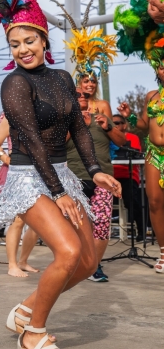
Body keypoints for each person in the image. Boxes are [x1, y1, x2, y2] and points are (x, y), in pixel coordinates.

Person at [0, 0, 121, 349]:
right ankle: (33, 336)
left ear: (43, 39)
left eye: (28, 41)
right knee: (67, 250)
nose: (22, 49)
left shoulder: (61, 79)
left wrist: (94, 171)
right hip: (29, 178)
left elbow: (77, 128)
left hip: (61, 174)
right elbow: (36, 142)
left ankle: (26, 308)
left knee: (89, 259)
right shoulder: (14, 86)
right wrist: (58, 195)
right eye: (14, 44)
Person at [114, 0, 164, 273]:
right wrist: (129, 118)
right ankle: (163, 252)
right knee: (155, 204)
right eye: (158, 66)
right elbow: (144, 128)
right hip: (153, 152)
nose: (161, 70)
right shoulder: (151, 97)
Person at [67, 89, 126, 282]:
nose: (83, 96)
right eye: (78, 95)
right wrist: (74, 123)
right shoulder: (65, 120)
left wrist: (108, 127)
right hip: (75, 178)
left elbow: (122, 141)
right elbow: (56, 145)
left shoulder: (101, 119)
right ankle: (74, 263)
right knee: (75, 225)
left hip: (103, 178)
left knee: (101, 222)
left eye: (85, 95)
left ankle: (94, 266)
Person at [0, 114, 39, 277]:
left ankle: (23, 261)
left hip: (39, 171)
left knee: (37, 223)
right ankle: (12, 265)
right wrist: (7, 159)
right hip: (17, 171)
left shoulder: (42, 112)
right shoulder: (10, 116)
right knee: (18, 219)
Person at [112, 114, 143, 242]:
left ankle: (141, 230)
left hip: (127, 174)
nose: (115, 125)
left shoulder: (132, 137)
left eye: (118, 123)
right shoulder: (106, 138)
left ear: (124, 125)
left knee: (132, 200)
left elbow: (136, 155)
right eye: (112, 123)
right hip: (109, 175)